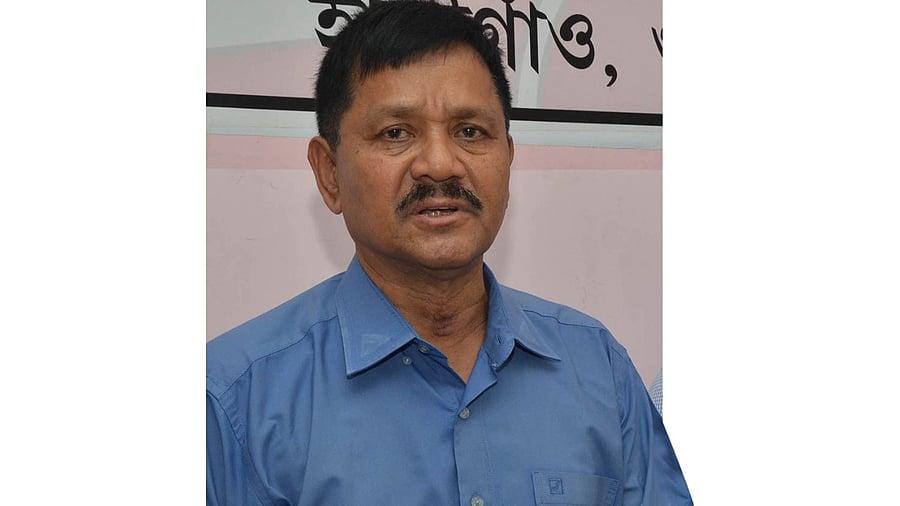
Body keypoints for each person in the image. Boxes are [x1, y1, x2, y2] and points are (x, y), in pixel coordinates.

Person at [206, 1, 692, 504]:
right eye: (396, 133)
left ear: (508, 158)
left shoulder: (598, 369)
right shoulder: (236, 402)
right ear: (330, 174)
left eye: (470, 132)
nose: (440, 164)